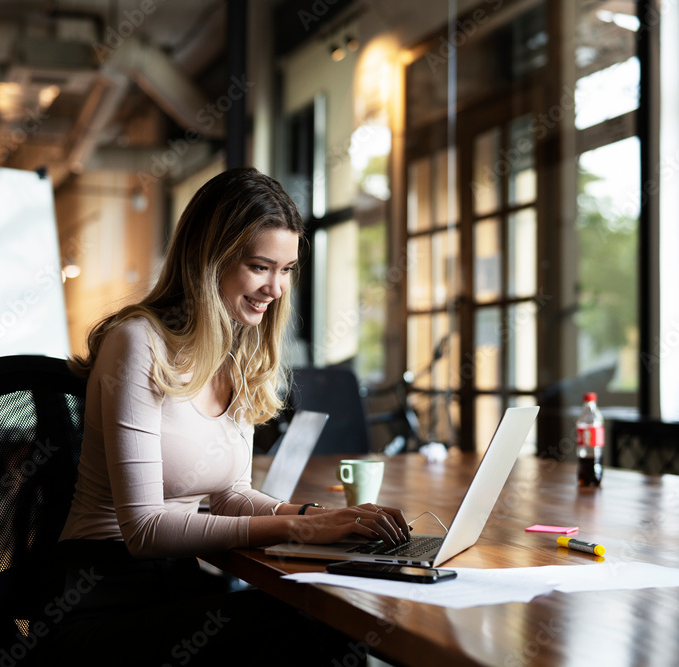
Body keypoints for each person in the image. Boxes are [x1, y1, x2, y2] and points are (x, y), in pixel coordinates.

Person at [39, 167, 410, 666]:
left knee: (329, 616)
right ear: (207, 259)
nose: (276, 288)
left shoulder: (238, 355)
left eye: (286, 269)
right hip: (102, 600)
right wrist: (297, 532)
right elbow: (144, 528)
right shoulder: (138, 342)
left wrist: (316, 518)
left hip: (175, 587)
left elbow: (230, 494)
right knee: (307, 629)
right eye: (260, 266)